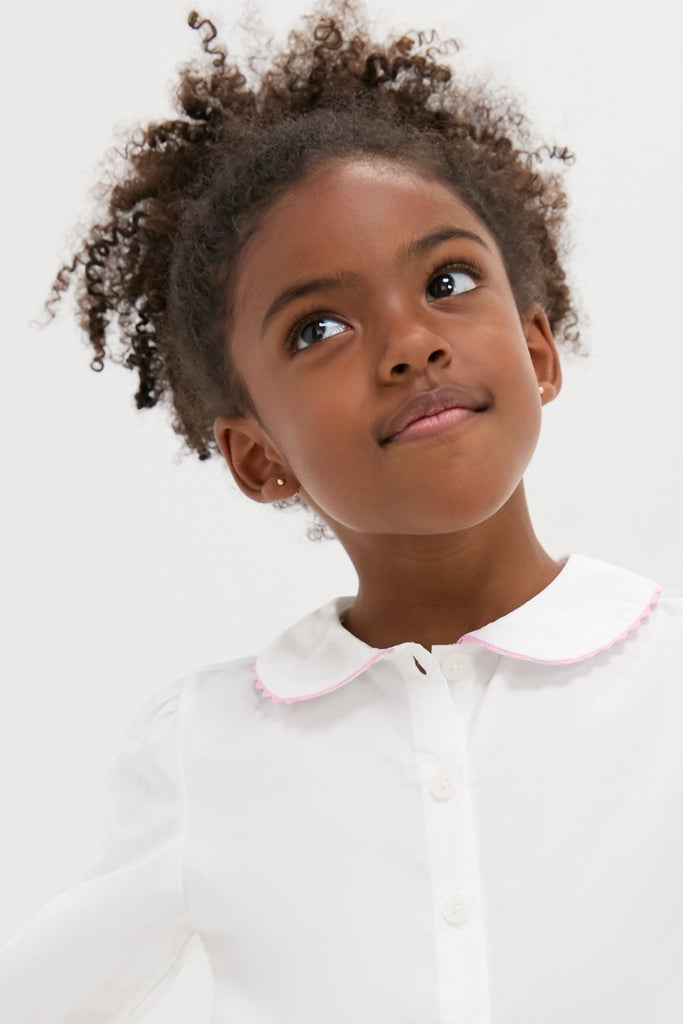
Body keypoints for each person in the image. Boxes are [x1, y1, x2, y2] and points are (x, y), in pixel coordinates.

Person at [2, 2, 682, 1021]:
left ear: (538, 352)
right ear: (257, 455)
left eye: (447, 279)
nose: (409, 344)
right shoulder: (208, 749)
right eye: (317, 326)